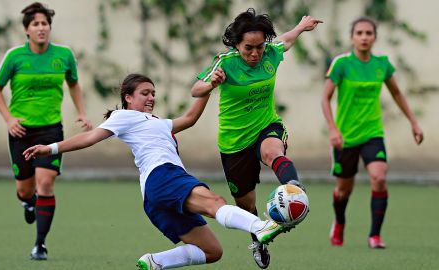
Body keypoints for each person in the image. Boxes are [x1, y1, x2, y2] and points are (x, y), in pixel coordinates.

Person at [22, 73, 289, 270]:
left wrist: (209, 86)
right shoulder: (123, 116)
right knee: (215, 203)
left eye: (153, 93)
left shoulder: (158, 123)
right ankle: (261, 227)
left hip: (155, 198)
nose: (151, 97)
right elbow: (90, 138)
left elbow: (190, 118)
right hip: (163, 176)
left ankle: (155, 262)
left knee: (212, 251)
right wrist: (52, 148)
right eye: (145, 93)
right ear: (128, 97)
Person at [191, 8, 321, 269]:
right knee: (246, 206)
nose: (254, 54)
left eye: (259, 47)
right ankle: (259, 239)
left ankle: (295, 190)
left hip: (266, 126)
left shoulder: (271, 54)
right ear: (236, 44)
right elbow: (196, 89)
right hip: (234, 142)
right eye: (248, 48)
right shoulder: (225, 62)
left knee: (272, 152)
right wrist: (211, 83)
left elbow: (287, 40)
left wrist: (300, 26)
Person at [0, 2, 92, 260]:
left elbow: (74, 83)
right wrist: (9, 119)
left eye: (44, 23)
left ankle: (40, 244)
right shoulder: (15, 56)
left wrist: (81, 112)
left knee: (45, 183)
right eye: (35, 24)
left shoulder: (64, 55)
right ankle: (27, 202)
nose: (41, 28)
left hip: (50, 130)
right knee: (25, 190)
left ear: (49, 27)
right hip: (20, 132)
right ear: (27, 29)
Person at [321, 17, 424, 249]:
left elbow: (397, 93)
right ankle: (339, 222)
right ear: (352, 37)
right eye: (359, 33)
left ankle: (375, 236)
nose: (364, 37)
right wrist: (333, 129)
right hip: (345, 137)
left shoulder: (382, 64)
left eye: (369, 33)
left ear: (375, 37)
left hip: (372, 133)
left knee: (379, 177)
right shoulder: (342, 64)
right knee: (343, 190)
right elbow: (325, 98)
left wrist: (414, 123)